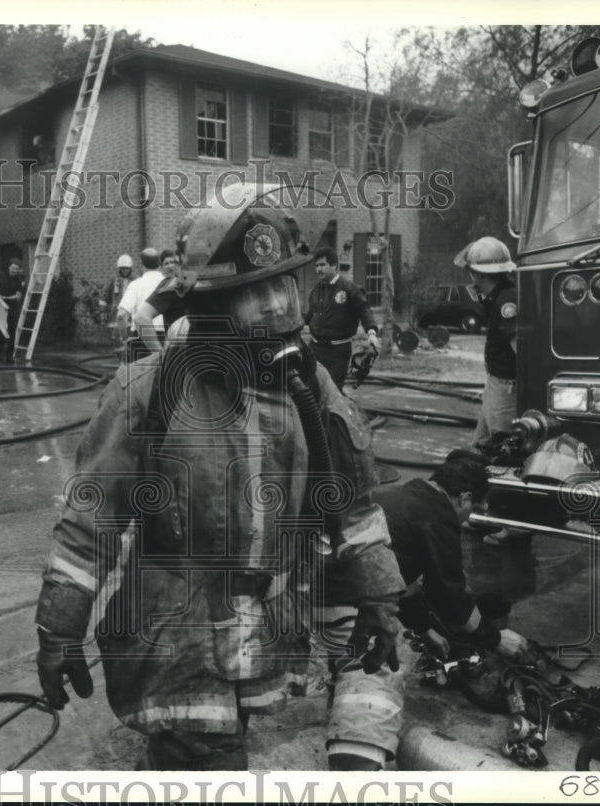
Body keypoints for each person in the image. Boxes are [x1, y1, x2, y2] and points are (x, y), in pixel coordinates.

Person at [33, 183, 405, 771]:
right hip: (176, 641)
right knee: (204, 754)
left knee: (217, 744)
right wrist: (58, 627)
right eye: (256, 298)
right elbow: (88, 526)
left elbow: (353, 506)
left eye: (285, 291)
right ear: (207, 307)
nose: (280, 313)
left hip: (266, 632)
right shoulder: (148, 391)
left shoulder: (310, 387)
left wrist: (380, 597)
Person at [371, 457, 530, 661]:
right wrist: (496, 639)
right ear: (465, 498)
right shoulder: (438, 519)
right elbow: (449, 599)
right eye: (474, 509)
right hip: (343, 593)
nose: (468, 518)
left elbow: (402, 578)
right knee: (371, 674)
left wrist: (423, 628)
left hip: (331, 570)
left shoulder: (405, 496)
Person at [454, 236, 518, 445]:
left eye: (472, 273)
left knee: (501, 447)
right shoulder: (499, 296)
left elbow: (520, 349)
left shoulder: (507, 302)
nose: (471, 279)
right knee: (480, 445)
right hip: (495, 384)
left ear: (480, 274)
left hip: (505, 389)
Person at [305, 246, 381, 390]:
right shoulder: (316, 291)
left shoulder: (349, 288)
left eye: (322, 265)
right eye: (316, 266)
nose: (318, 269)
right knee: (309, 389)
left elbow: (364, 310)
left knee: (332, 392)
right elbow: (309, 316)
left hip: (337, 353)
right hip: (315, 349)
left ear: (334, 265)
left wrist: (371, 333)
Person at [131, 248, 194, 355]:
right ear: (162, 268)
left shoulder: (190, 281)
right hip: (180, 355)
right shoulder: (172, 284)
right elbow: (140, 318)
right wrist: (160, 355)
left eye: (174, 262)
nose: (170, 266)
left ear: (180, 264)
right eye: (166, 264)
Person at [116, 247, 165, 360]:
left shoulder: (136, 285)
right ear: (159, 263)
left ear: (141, 264)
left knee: (141, 375)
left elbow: (121, 315)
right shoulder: (168, 283)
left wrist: (124, 339)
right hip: (167, 336)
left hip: (141, 337)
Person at [0, 259, 26, 363]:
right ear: (9, 267)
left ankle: (9, 355)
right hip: (1, 306)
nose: (14, 270)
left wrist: (5, 298)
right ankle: (0, 353)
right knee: (2, 329)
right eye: (13, 268)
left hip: (12, 307)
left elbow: (18, 296)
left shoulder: (19, 279)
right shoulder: (1, 275)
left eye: (16, 269)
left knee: (12, 330)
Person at [100, 254, 134, 322]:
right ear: (119, 269)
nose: (125, 270)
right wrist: (103, 311)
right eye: (123, 268)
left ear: (130, 269)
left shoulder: (134, 281)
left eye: (127, 268)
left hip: (131, 313)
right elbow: (104, 296)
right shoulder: (114, 280)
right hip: (116, 313)